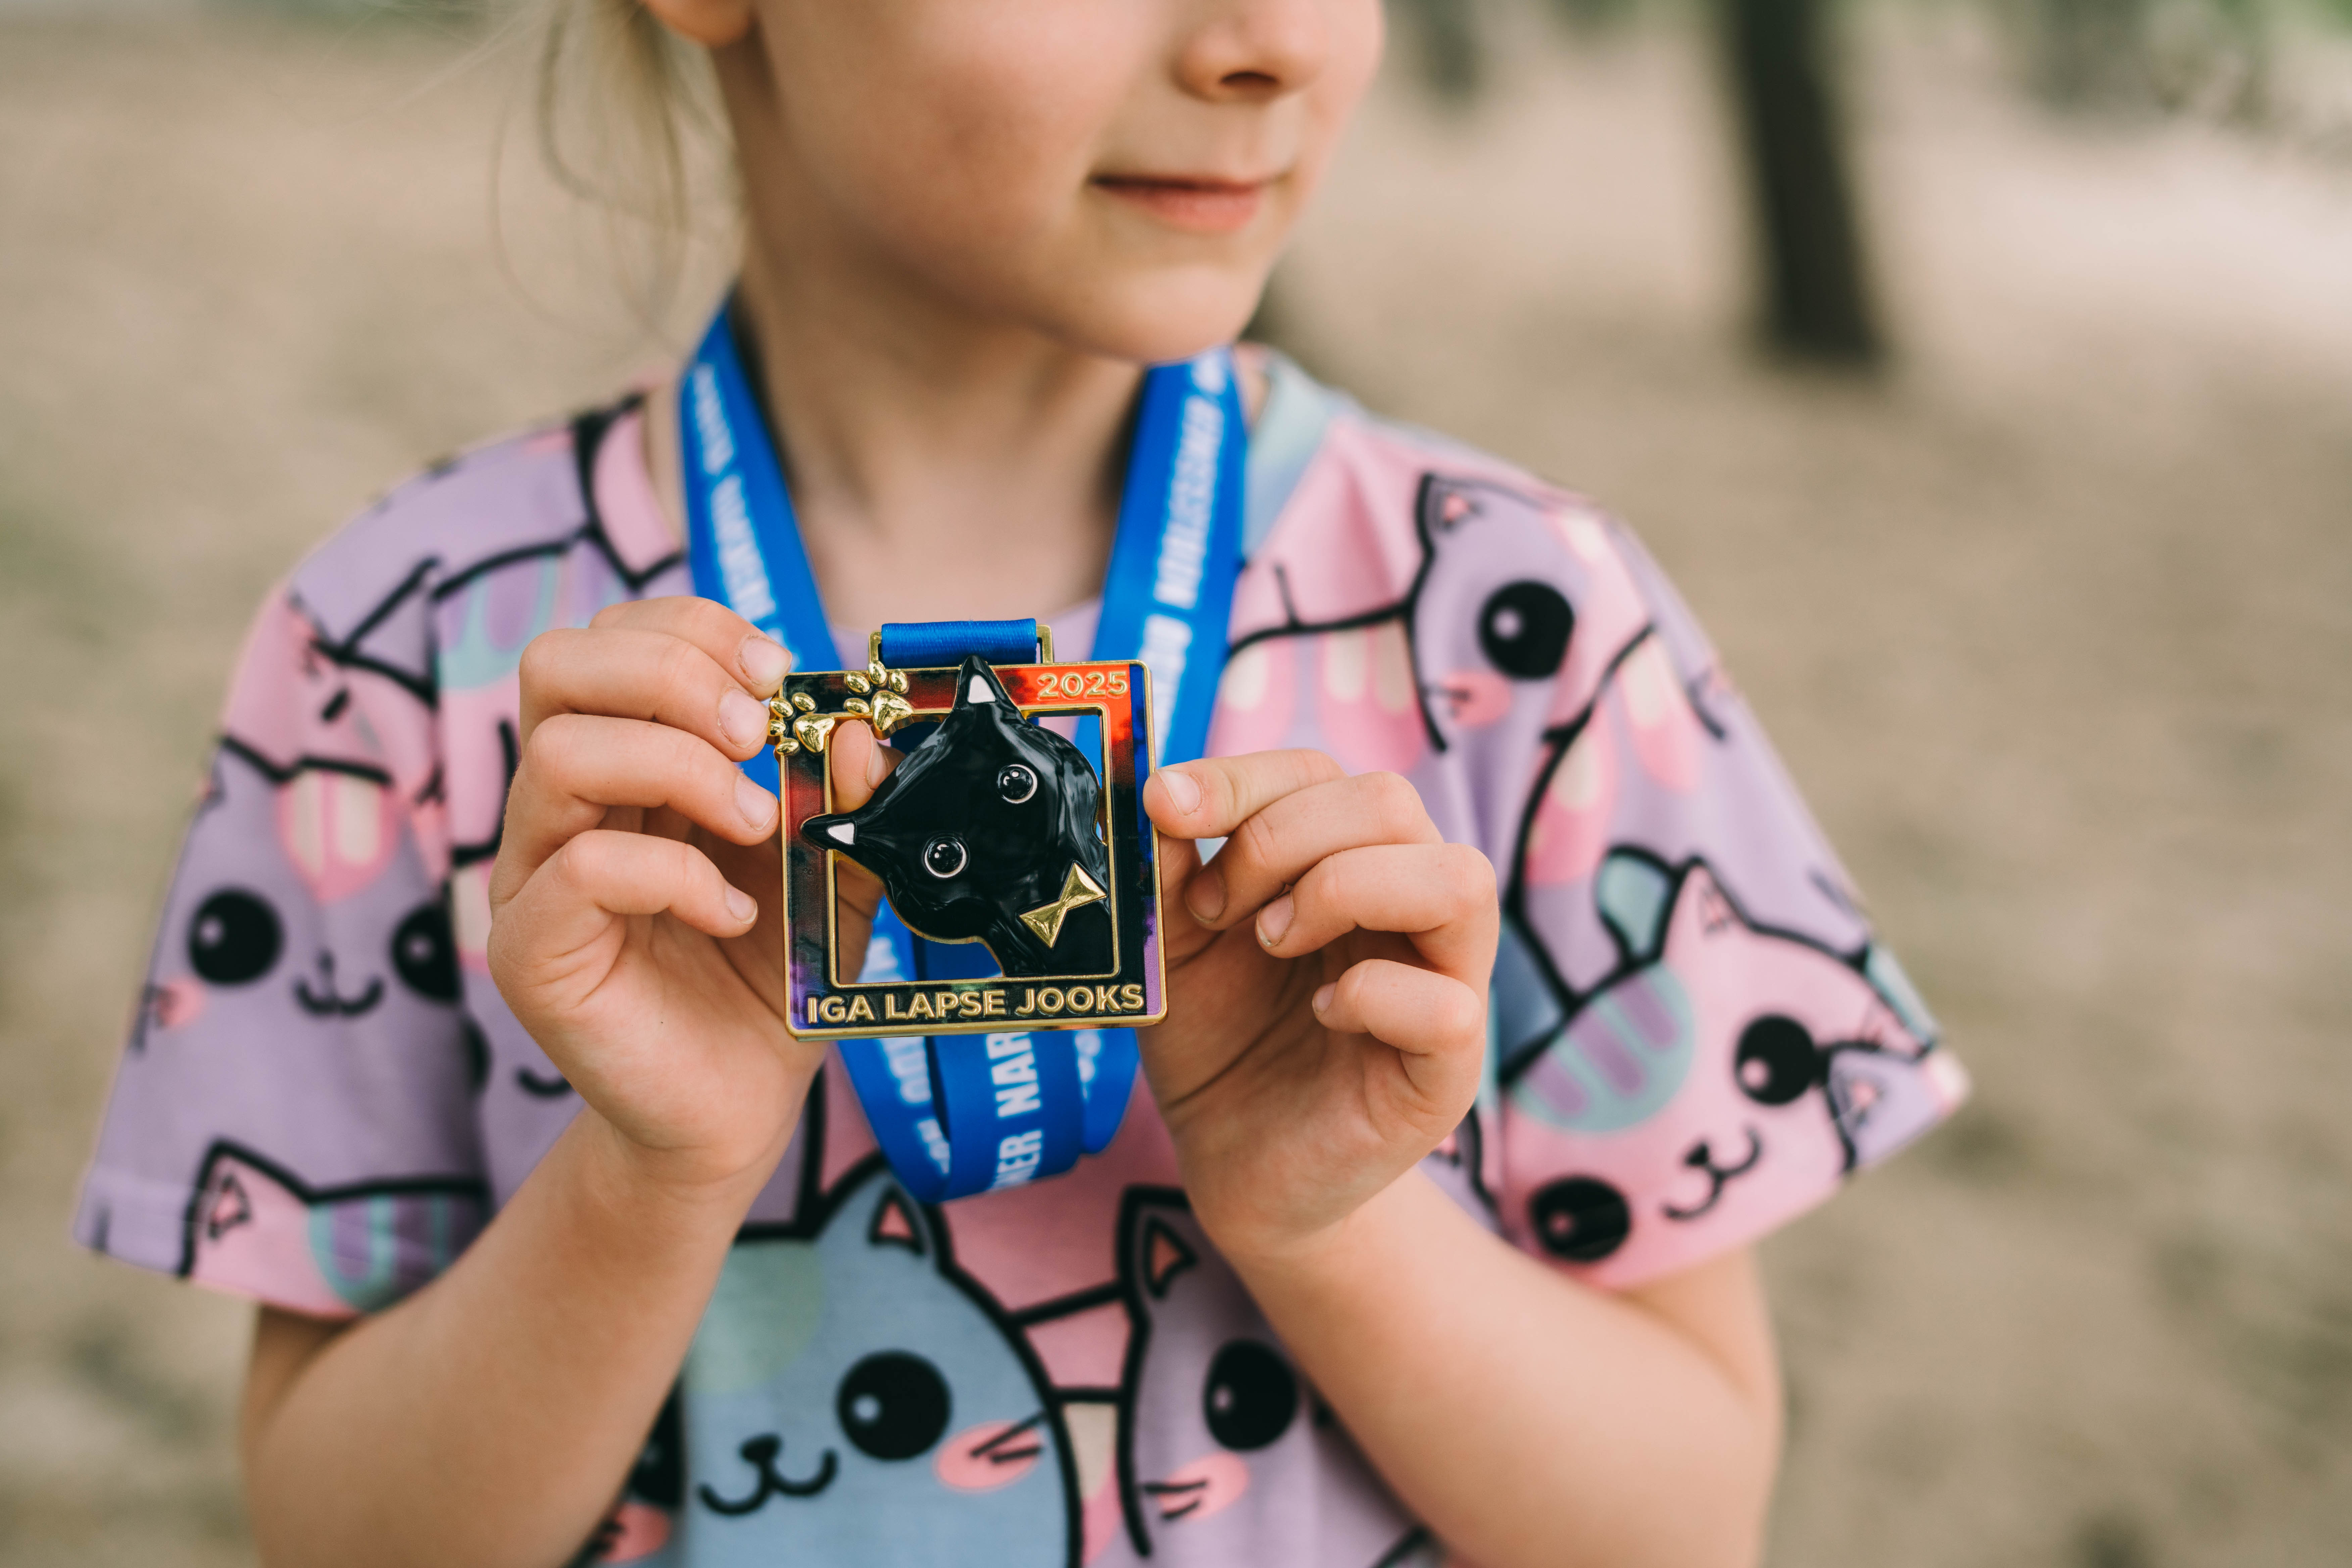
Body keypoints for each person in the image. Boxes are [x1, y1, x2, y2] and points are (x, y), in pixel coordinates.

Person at [72, 0, 1968, 1563]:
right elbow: (337, 1532)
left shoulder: (1529, 625)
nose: (1281, 41)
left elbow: (1689, 1518)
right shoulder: (407, 651)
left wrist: (1330, 1222)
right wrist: (650, 1180)